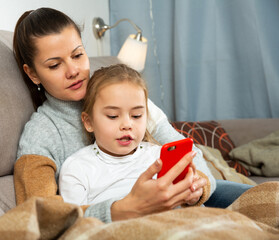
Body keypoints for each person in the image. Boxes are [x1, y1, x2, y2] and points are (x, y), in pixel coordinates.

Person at [13, 7, 251, 223]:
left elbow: (185, 150)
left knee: (269, 200)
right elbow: (41, 216)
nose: (73, 71)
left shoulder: (123, 93)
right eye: (55, 65)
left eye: (78, 55)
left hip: (179, 202)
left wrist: (200, 186)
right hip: (123, 222)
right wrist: (123, 209)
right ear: (33, 73)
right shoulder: (40, 136)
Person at [59, 64, 207, 207]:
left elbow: (182, 200)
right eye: (112, 116)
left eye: (136, 115)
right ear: (89, 122)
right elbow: (74, 221)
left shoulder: (159, 156)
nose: (127, 125)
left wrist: (191, 196)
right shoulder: (77, 168)